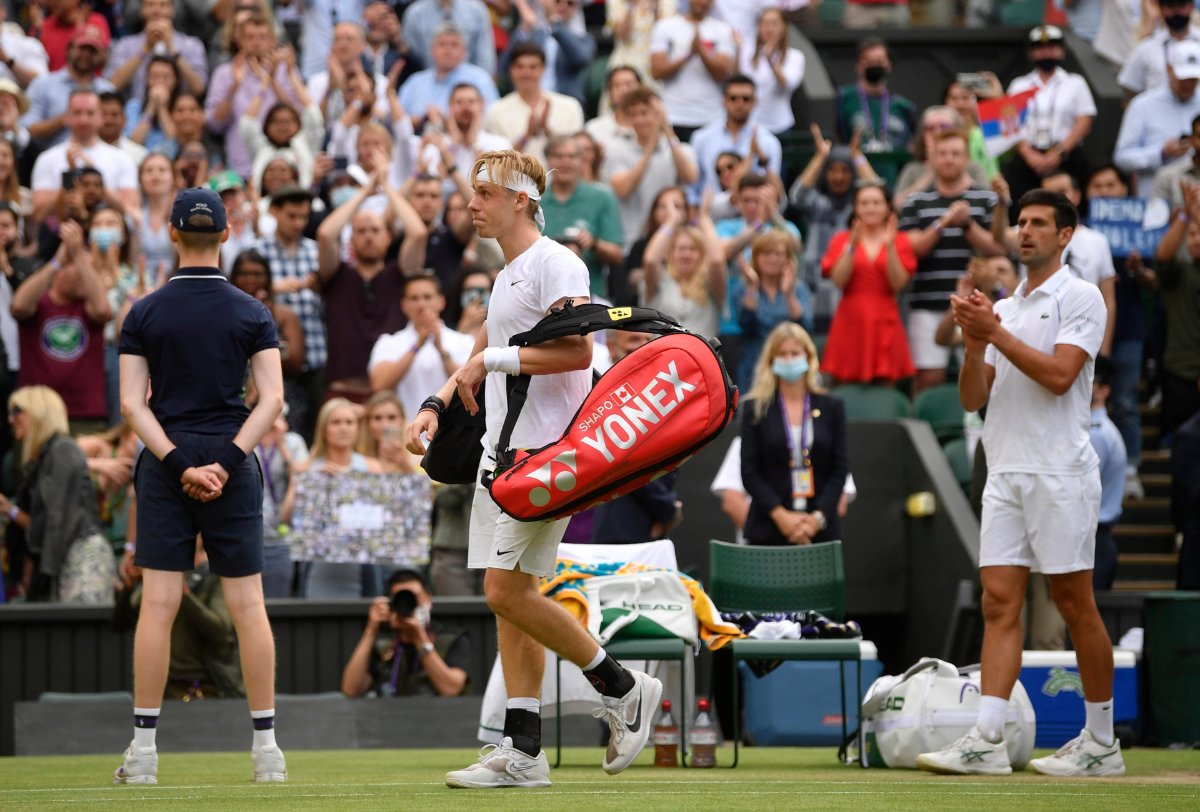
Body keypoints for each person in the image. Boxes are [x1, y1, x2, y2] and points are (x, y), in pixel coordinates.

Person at [405, 149, 662, 788]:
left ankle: (623, 687)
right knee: (510, 602)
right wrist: (436, 402)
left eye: (484, 192)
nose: (472, 203)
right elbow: (483, 349)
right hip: (503, 453)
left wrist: (493, 363)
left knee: (505, 592)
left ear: (521, 199)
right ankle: (523, 751)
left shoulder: (556, 261)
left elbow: (576, 351)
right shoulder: (508, 271)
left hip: (547, 457)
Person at [917, 189, 1124, 777]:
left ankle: (1102, 742)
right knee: (998, 603)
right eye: (1022, 222)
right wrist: (976, 340)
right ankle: (986, 738)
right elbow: (973, 397)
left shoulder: (1082, 297)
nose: (1025, 231)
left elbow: (1060, 376)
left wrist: (994, 331)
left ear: (1065, 236)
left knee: (1073, 603)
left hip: (1060, 471)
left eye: (1039, 223)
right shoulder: (1003, 309)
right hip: (1004, 469)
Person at [114, 187, 287, 784]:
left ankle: (142, 754)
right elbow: (273, 401)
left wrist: (178, 463)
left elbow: (133, 407)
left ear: (170, 233)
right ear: (227, 234)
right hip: (231, 464)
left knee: (157, 606)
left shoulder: (143, 311)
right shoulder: (252, 311)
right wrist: (228, 460)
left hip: (167, 465)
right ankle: (267, 751)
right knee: (248, 606)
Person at [899, 129, 1004, 397]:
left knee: (981, 374)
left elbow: (1000, 248)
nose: (949, 160)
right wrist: (943, 223)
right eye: (942, 154)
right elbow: (912, 249)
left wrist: (968, 225)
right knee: (928, 377)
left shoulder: (986, 199)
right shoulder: (915, 202)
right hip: (928, 302)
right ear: (931, 158)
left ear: (967, 158)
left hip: (978, 302)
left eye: (955, 154)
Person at [0, 385, 113, 602]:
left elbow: (58, 516)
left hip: (83, 556)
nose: (10, 419)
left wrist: (45, 573)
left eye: (16, 411)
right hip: (60, 558)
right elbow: (40, 525)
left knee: (82, 633)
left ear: (39, 413)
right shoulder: (40, 461)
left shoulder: (63, 449)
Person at [739, 322, 848, 546]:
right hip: (768, 528)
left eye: (795, 353)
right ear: (771, 361)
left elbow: (840, 469)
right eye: (782, 354)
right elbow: (749, 471)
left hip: (821, 529)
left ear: (808, 358)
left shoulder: (832, 406)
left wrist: (817, 519)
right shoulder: (755, 408)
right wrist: (781, 516)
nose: (789, 359)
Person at [12, 220, 110, 431]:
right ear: (60, 271)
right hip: (38, 414)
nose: (86, 276)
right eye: (80, 268)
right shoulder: (39, 303)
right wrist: (58, 259)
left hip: (85, 415)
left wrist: (79, 260)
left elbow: (103, 310)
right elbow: (18, 307)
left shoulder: (88, 307)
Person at [821, 183, 916, 386]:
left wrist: (890, 247)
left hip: (885, 319)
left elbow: (898, 284)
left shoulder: (900, 241)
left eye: (876, 203)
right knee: (845, 385)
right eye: (864, 203)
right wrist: (852, 246)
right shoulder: (842, 240)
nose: (870, 208)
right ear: (855, 208)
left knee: (885, 385)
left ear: (887, 207)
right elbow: (839, 280)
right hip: (850, 320)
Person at [789, 125, 880, 326]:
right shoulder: (818, 203)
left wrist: (857, 156)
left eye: (845, 171)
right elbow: (797, 196)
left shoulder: (860, 205)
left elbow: (878, 193)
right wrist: (821, 156)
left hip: (852, 287)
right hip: (816, 288)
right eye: (832, 170)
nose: (838, 177)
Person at [1002, 25, 1096, 209]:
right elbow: (1010, 123)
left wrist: (1060, 152)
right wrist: (1029, 154)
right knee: (1022, 205)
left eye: (1051, 47)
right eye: (1040, 48)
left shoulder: (1075, 82)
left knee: (1070, 207)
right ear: (1032, 53)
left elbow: (1085, 120)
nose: (1046, 53)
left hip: (1066, 155)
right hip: (1028, 157)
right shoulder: (1019, 84)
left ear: (1062, 51)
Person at [341, 568, 471, 697]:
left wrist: (420, 639)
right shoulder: (383, 644)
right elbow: (351, 690)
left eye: (415, 598)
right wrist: (371, 629)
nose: (410, 605)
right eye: (402, 599)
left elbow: (452, 689)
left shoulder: (451, 639)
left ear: (429, 600)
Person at [602, 86, 698, 253]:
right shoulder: (616, 149)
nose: (639, 120)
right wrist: (649, 150)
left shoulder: (680, 149)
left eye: (645, 113)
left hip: (672, 242)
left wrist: (667, 130)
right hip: (631, 243)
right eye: (634, 115)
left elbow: (691, 177)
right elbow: (623, 189)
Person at [368, 273, 475, 422]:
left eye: (427, 297)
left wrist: (441, 350)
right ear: (403, 305)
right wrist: (417, 344)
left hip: (449, 435)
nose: (421, 304)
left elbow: (472, 386)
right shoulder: (388, 342)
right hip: (404, 435)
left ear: (441, 301)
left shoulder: (463, 341)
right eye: (414, 298)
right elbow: (379, 386)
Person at [30, 90, 139, 222]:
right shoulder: (47, 159)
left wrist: (94, 173)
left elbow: (133, 213)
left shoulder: (122, 159)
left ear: (100, 117)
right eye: (77, 113)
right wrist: (71, 176)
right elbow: (39, 213)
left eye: (90, 113)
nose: (84, 120)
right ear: (66, 117)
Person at [541, 134, 624, 298]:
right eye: (559, 156)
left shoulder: (602, 197)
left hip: (590, 294)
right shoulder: (535, 200)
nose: (565, 162)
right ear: (548, 160)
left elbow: (617, 254)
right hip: (541, 293)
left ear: (582, 161)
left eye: (572, 157)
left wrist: (593, 243)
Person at [1114, 40, 1200, 198]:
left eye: (1193, 78)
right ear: (1169, 69)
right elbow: (1122, 158)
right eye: (1183, 78)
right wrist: (1161, 153)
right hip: (1154, 199)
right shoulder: (1142, 105)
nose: (1188, 84)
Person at [1151, 185, 1200, 438]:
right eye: (1191, 234)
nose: (1196, 239)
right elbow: (1163, 256)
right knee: (1181, 449)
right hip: (1182, 373)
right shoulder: (1180, 272)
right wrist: (1184, 216)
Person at [648, 0, 734, 143]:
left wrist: (702, 53)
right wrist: (688, 55)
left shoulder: (723, 30)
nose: (703, 2)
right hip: (673, 116)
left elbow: (722, 74)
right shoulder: (665, 27)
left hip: (711, 117)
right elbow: (656, 71)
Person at [482, 42, 583, 164]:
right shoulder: (495, 111)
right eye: (520, 67)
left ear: (543, 69)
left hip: (557, 180)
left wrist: (548, 131)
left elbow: (577, 156)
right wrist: (526, 136)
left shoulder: (570, 107)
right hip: (514, 181)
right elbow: (497, 164)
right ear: (511, 70)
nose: (527, 73)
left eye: (533, 67)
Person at [690, 75, 783, 205]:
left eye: (746, 99)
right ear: (724, 100)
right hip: (711, 215)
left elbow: (775, 193)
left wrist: (762, 159)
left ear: (755, 101)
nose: (739, 104)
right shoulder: (702, 138)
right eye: (733, 98)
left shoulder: (768, 142)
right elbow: (692, 188)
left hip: (753, 213)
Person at [23, 27, 117, 149]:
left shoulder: (107, 90)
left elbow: (117, 132)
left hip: (98, 158)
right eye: (82, 48)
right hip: (50, 156)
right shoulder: (44, 84)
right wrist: (69, 116)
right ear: (69, 49)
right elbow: (29, 130)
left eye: (92, 51)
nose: (86, 54)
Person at [640, 203, 725, 339]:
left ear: (702, 254)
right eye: (681, 249)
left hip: (701, 356)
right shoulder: (660, 281)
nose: (686, 254)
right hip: (663, 355)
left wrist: (704, 220)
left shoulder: (710, 284)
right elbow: (650, 260)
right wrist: (672, 221)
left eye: (693, 249)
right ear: (670, 253)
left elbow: (717, 260)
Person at [395, 23, 498, 124]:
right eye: (442, 44)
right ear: (432, 50)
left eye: (454, 45)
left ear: (464, 51)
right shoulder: (415, 82)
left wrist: (445, 122)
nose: (447, 50)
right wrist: (420, 120)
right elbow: (397, 120)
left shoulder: (479, 79)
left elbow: (491, 119)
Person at [105, 0, 207, 101]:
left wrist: (172, 50)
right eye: (150, 4)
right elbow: (111, 86)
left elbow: (199, 89)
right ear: (141, 10)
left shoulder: (192, 45)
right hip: (134, 112)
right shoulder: (124, 45)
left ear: (173, 10)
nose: (157, 10)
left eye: (163, 5)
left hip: (178, 113)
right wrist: (145, 49)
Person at [835, 37, 917, 156]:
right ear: (858, 65)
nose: (874, 65)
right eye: (868, 61)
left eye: (879, 61)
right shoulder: (844, 98)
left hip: (893, 171)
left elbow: (911, 144)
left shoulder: (903, 106)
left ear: (889, 65)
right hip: (856, 169)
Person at [507, 0, 596, 105]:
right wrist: (524, 28)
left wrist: (554, 20)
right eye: (557, 1)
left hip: (566, 105)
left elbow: (580, 58)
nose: (564, 6)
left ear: (577, 9)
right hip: (529, 102)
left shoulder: (585, 39)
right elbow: (507, 65)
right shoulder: (535, 35)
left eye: (570, 3)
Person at [1089, 356, 1127, 590]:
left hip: (1095, 539)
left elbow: (1082, 488)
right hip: (1092, 538)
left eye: (1089, 382)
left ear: (1104, 391)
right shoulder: (1093, 428)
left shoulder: (1097, 433)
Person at [737, 7, 804, 136]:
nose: (769, 28)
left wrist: (772, 62)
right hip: (750, 126)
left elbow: (788, 84)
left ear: (784, 27)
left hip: (780, 127)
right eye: (765, 23)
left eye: (774, 23)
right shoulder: (747, 53)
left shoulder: (795, 56)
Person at [1118, 0, 1200, 99]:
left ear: (1191, 7)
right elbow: (1130, 90)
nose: (1176, 11)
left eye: (1181, 5)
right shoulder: (1147, 47)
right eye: (1170, 6)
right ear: (1161, 9)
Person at [401, 0, 496, 78]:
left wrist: (481, 82)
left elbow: (485, 57)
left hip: (470, 86)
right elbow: (411, 59)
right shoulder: (414, 13)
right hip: (428, 84)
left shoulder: (477, 10)